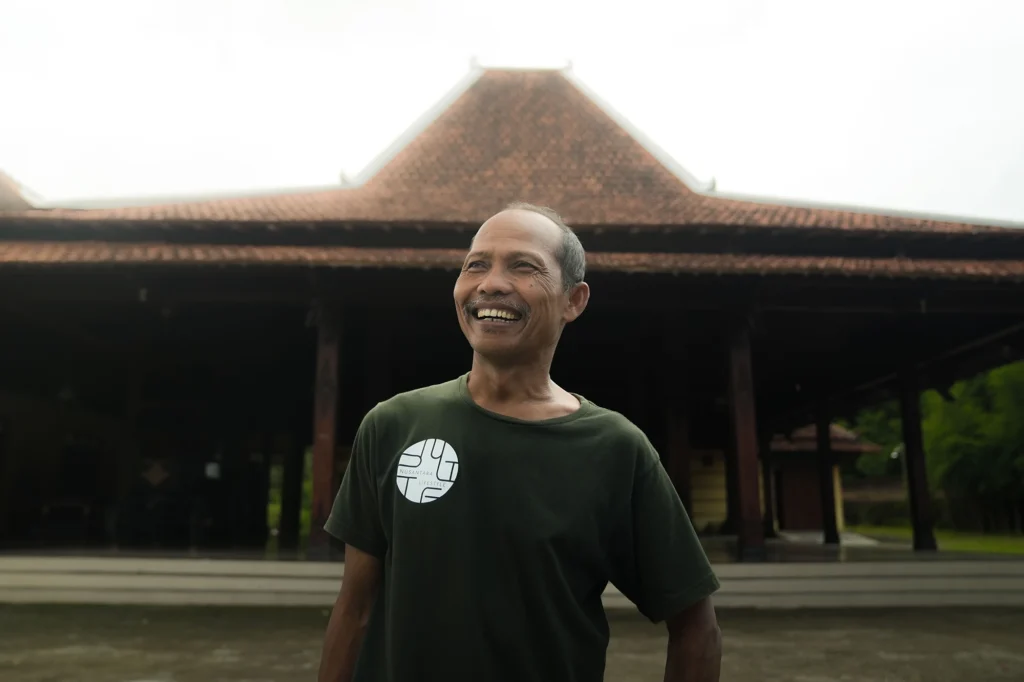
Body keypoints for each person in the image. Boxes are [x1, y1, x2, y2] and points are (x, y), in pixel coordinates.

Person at [318, 203, 722, 682]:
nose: (490, 283)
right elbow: (355, 608)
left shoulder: (614, 448)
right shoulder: (393, 426)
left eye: (523, 266)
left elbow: (696, 627)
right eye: (475, 265)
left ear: (574, 300)